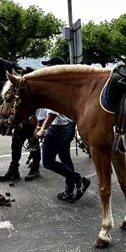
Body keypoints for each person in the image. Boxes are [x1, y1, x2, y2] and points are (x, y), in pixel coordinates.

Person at [35, 56, 90, 203]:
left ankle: (79, 180)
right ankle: (69, 192)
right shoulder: (68, 84)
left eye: (50, 66)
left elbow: (53, 112)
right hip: (68, 127)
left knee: (47, 162)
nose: (47, 69)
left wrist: (43, 129)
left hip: (58, 128)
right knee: (65, 159)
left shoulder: (56, 85)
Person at [0, 68, 42, 182]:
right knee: (15, 145)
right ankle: (13, 169)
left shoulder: (34, 91)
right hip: (21, 123)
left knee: (34, 146)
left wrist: (38, 125)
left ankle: (35, 169)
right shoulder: (20, 90)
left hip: (32, 123)